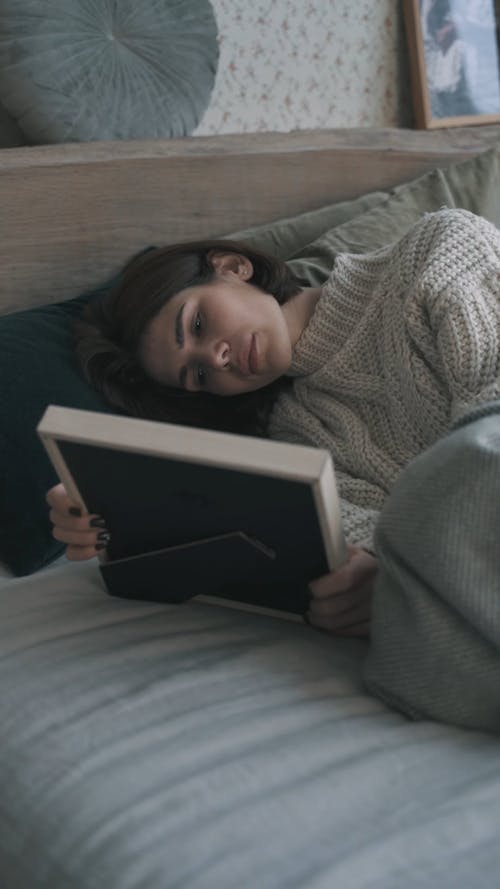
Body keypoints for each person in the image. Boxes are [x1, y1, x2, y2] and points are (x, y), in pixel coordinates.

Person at [47, 206, 500, 643]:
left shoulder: (437, 248)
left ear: (232, 266)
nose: (216, 358)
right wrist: (122, 501)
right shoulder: (293, 439)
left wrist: (415, 575)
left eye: (199, 324)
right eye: (198, 375)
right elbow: (364, 537)